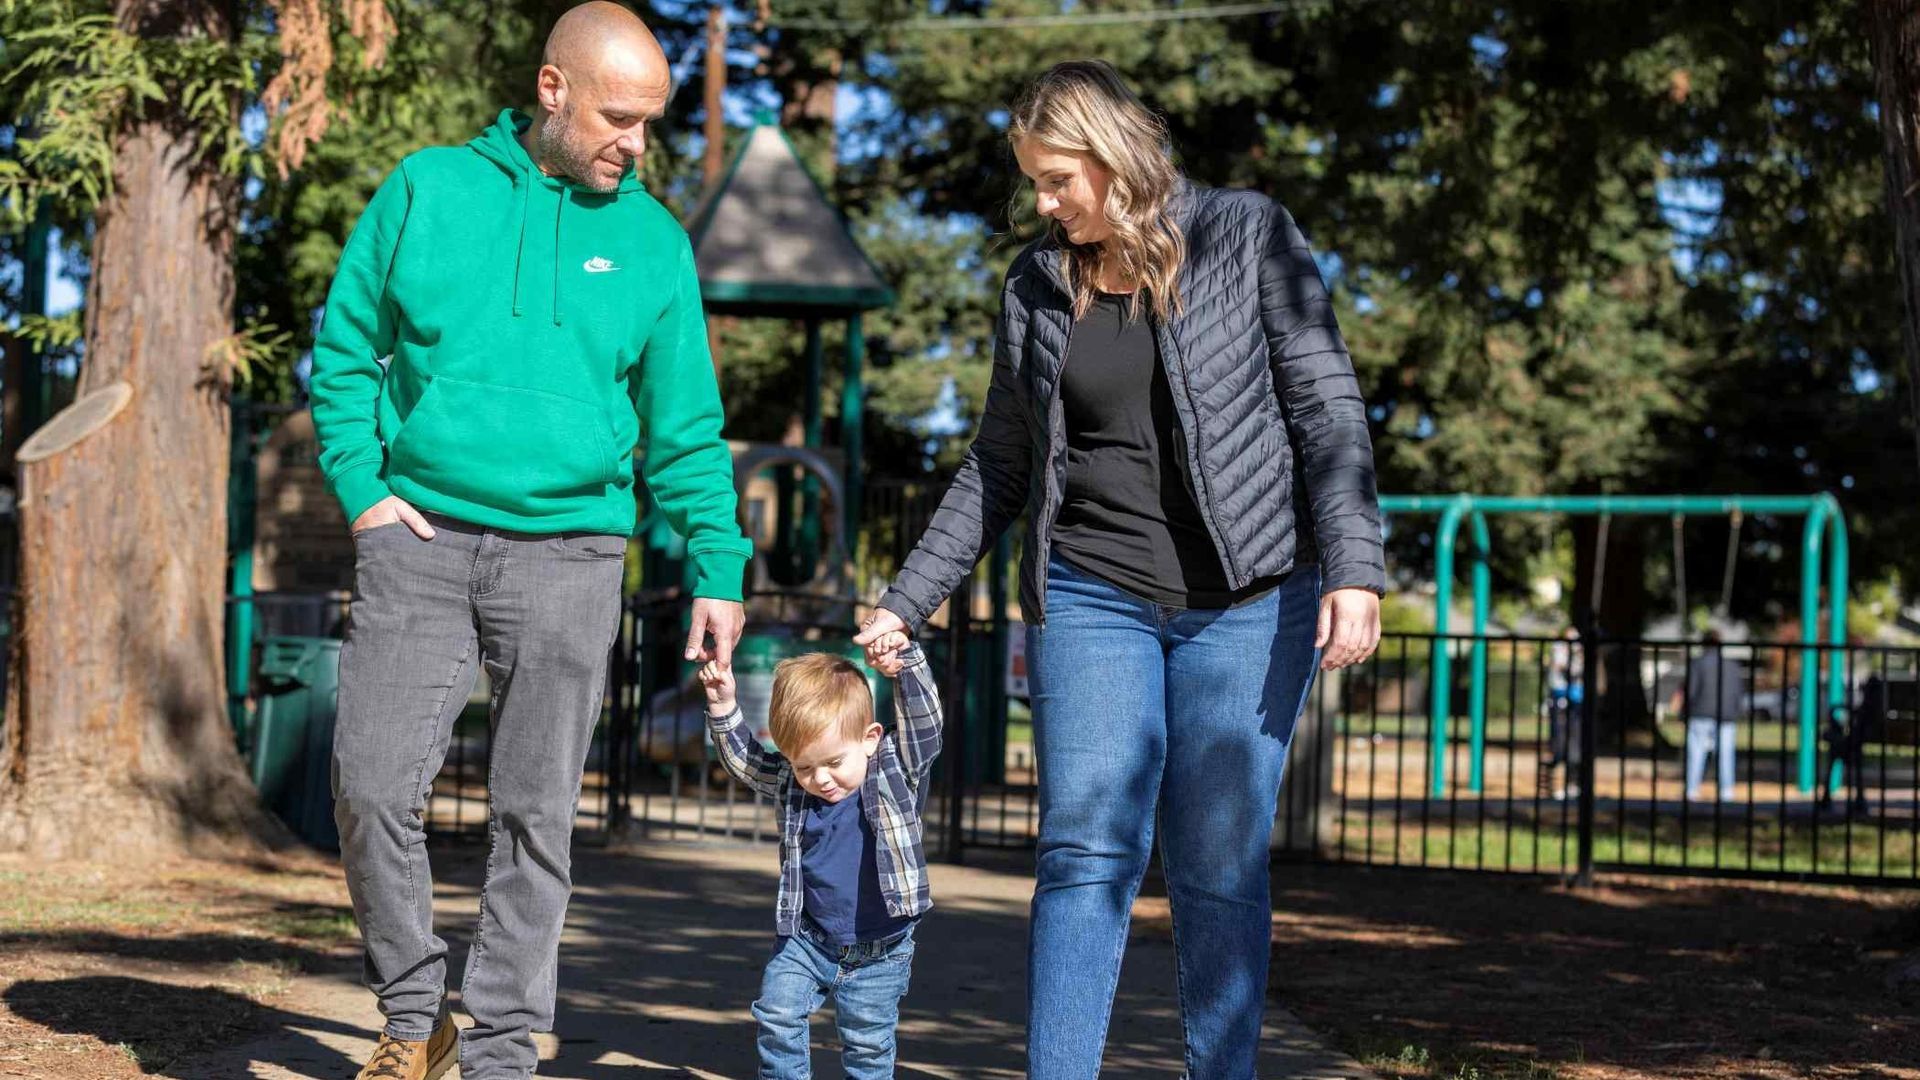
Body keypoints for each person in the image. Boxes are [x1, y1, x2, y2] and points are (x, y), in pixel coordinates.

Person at [855, 60, 1385, 1078]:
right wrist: (909, 597)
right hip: (1093, 590)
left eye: (1057, 179)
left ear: (1114, 156)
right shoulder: (1038, 282)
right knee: (1084, 851)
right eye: (1036, 184)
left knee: (1217, 866)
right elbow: (998, 462)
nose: (1042, 202)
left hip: (1250, 597)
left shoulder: (1248, 235)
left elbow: (1327, 406)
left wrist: (1354, 566)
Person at [308, 6, 751, 1077]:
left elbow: (686, 428)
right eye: (618, 117)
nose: (636, 144)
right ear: (552, 89)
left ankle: (502, 1051)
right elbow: (342, 352)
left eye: (651, 122)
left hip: (574, 555)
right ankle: (417, 1021)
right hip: (419, 539)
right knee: (370, 788)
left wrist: (717, 564)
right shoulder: (427, 188)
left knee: (533, 816)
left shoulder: (652, 241)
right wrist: (364, 491)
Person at [699, 641, 943, 1078]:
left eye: (832, 762)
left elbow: (926, 728)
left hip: (881, 950)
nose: (820, 778)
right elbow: (747, 764)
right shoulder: (796, 785)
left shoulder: (894, 771)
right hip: (807, 939)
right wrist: (723, 707)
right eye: (804, 765)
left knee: (867, 1046)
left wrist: (905, 665)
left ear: (870, 739)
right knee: (776, 1014)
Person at [1671, 630, 1746, 803]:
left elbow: (1691, 691)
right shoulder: (1732, 666)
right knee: (1725, 755)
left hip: (1700, 713)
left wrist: (1683, 713)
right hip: (1725, 714)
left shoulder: (1697, 664)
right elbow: (1737, 693)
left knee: (1696, 753)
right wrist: (1735, 712)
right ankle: (1726, 792)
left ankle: (1692, 790)